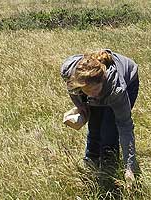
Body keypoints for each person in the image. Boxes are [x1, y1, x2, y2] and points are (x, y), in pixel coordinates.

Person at [60, 49, 139, 182]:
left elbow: (125, 126)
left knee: (109, 129)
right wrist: (80, 105)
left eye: (95, 90)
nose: (93, 95)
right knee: (95, 127)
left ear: (102, 80)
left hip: (129, 81)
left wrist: (129, 167)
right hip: (97, 87)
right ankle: (91, 163)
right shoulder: (71, 72)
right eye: (87, 91)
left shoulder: (116, 90)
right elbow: (72, 89)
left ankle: (109, 169)